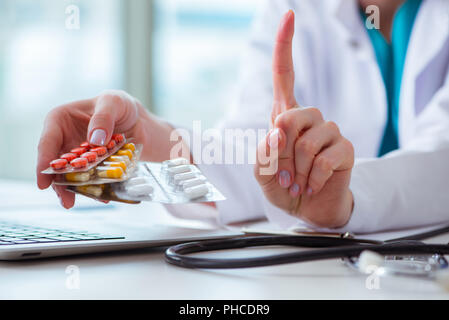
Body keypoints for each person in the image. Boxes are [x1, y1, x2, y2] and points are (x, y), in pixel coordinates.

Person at [37, 0, 449, 234]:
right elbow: (259, 153)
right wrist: (147, 140)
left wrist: (343, 198)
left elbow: (441, 161)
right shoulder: (296, 8)